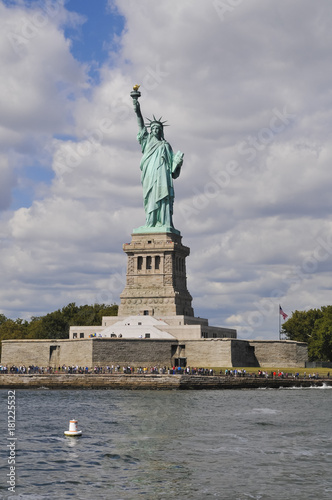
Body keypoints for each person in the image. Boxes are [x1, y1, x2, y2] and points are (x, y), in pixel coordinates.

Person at [133, 98, 184, 232]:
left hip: (163, 176)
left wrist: (178, 164)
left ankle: (164, 222)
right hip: (150, 174)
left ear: (161, 131)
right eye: (153, 128)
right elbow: (140, 124)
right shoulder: (147, 141)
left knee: (163, 197)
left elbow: (173, 170)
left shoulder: (166, 145)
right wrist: (136, 106)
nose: (155, 129)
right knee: (150, 197)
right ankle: (150, 222)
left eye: (158, 128)